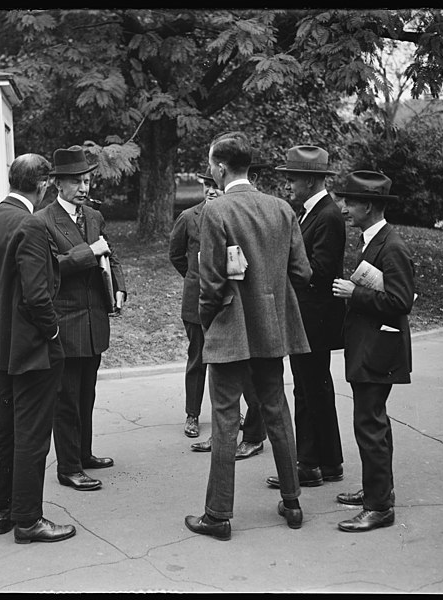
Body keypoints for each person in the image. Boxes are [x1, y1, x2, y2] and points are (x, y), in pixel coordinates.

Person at [184, 131, 313, 540]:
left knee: (224, 420)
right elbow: (303, 273)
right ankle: (292, 503)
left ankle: (218, 515)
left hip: (229, 329)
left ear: (221, 168)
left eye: (209, 165)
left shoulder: (215, 212)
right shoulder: (281, 209)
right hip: (270, 329)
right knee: (277, 411)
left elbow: (211, 284)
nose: (209, 170)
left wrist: (209, 322)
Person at [0, 154, 75, 544]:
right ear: (41, 187)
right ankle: (28, 520)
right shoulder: (32, 225)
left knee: (3, 427)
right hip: (31, 349)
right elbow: (38, 296)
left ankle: (4, 510)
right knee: (32, 432)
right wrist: (53, 332)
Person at [36, 146, 127, 492]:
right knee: (67, 399)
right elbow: (50, 267)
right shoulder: (43, 220)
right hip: (66, 322)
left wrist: (120, 287)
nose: (84, 187)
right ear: (57, 183)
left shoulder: (93, 216)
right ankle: (68, 467)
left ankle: (84, 453)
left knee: (86, 395)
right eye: (76, 182)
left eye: (87, 180)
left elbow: (111, 255)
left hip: (94, 323)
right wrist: (89, 253)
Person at [331, 170, 415, 532]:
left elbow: (399, 301)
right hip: (371, 347)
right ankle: (377, 491)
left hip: (378, 351)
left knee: (369, 424)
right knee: (374, 422)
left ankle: (379, 507)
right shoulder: (375, 240)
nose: (345, 208)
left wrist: (355, 294)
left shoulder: (392, 246)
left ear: (367, 205)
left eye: (350, 202)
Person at [169, 167, 265, 460]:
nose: (211, 190)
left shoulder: (231, 215)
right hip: (198, 302)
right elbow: (176, 256)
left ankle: (243, 428)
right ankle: (193, 415)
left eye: (215, 185)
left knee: (239, 365)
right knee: (198, 360)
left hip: (230, 302)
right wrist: (198, 279)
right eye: (206, 186)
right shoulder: (189, 217)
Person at [266, 145, 346, 490]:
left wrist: (283, 266)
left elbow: (321, 271)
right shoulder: (312, 212)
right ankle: (328, 462)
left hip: (314, 319)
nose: (289, 185)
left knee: (308, 389)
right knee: (315, 388)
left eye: (293, 178)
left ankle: (309, 464)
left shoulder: (326, 216)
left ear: (311, 181)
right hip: (310, 317)